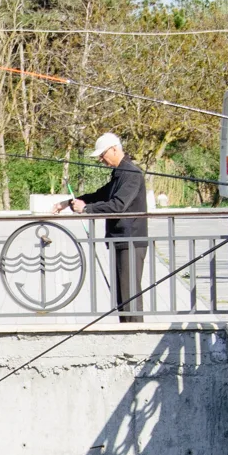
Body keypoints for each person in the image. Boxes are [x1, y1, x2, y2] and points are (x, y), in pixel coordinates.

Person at [65, 131, 149, 322]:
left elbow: (118, 205)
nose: (101, 159)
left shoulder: (131, 174)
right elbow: (100, 195)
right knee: (122, 296)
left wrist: (86, 209)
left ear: (114, 149)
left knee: (130, 296)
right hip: (120, 240)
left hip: (131, 240)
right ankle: (126, 330)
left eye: (102, 154)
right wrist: (68, 203)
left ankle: (135, 333)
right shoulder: (119, 174)